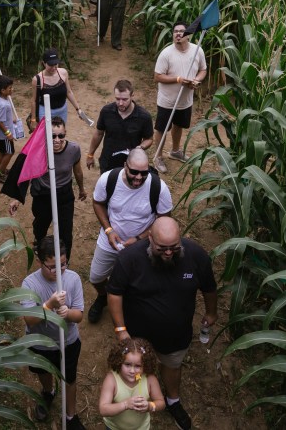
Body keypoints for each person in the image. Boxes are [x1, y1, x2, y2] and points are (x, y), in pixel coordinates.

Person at [107, 216, 218, 430]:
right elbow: (114, 293)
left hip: (176, 334)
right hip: (137, 335)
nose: (168, 253)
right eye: (162, 248)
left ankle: (173, 400)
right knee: (136, 368)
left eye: (174, 247)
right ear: (150, 239)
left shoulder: (196, 255)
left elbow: (209, 287)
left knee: (172, 365)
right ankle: (136, 398)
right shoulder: (129, 258)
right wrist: (121, 330)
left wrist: (212, 312)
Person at [88, 148, 172, 324]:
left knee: (140, 282)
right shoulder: (109, 179)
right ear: (125, 166)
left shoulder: (158, 187)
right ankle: (103, 296)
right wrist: (109, 230)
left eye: (144, 173)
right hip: (110, 239)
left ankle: (129, 306)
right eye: (134, 172)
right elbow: (98, 203)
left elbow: (164, 219)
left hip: (141, 245)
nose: (139, 178)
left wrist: (140, 238)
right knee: (96, 277)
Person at [21, 237, 86, 430]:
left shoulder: (73, 279)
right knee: (43, 371)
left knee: (70, 378)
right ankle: (48, 392)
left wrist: (68, 313)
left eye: (63, 264)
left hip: (68, 341)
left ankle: (71, 415)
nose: (59, 271)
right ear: (39, 262)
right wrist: (49, 306)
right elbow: (29, 320)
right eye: (52, 267)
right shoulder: (29, 285)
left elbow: (79, 315)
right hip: (40, 342)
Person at [9, 117, 87, 260]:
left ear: (65, 133)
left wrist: (81, 189)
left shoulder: (73, 149)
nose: (57, 140)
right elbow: (27, 173)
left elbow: (78, 171)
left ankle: (64, 262)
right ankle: (40, 247)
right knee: (40, 227)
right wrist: (17, 199)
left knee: (65, 232)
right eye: (52, 136)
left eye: (61, 136)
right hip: (43, 195)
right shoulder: (38, 150)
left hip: (64, 195)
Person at [151, 21, 207, 173]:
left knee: (179, 125)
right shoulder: (166, 54)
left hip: (185, 101)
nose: (178, 34)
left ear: (188, 35)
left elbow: (203, 70)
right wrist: (178, 79)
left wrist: (196, 80)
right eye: (175, 31)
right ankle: (158, 157)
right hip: (167, 101)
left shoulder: (197, 51)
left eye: (181, 31)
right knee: (162, 128)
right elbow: (157, 76)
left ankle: (175, 151)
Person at [86, 79, 153, 172]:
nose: (120, 103)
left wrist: (140, 148)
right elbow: (99, 133)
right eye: (117, 99)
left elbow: (149, 139)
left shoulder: (144, 117)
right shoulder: (106, 111)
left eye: (125, 99)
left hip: (131, 164)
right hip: (108, 161)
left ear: (132, 96)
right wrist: (90, 155)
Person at [99, 338, 164, 430]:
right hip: (114, 428)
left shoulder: (150, 379)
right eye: (127, 364)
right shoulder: (112, 379)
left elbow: (161, 403)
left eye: (138, 366)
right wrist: (125, 404)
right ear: (119, 362)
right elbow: (103, 409)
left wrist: (150, 406)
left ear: (145, 365)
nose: (132, 371)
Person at [29, 48, 83, 128]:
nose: (54, 67)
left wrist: (78, 109)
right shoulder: (37, 79)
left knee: (59, 135)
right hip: (45, 112)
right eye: (50, 65)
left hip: (62, 111)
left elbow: (69, 92)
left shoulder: (63, 73)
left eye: (56, 64)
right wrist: (33, 120)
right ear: (44, 63)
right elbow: (34, 101)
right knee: (46, 137)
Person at [0, 75, 16, 183]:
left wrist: (11, 120)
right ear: (2, 90)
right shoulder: (4, 105)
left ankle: (2, 169)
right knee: (10, 152)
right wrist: (8, 133)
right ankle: (0, 174)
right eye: (10, 88)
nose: (12, 89)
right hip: (3, 135)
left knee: (3, 151)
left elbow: (0, 117)